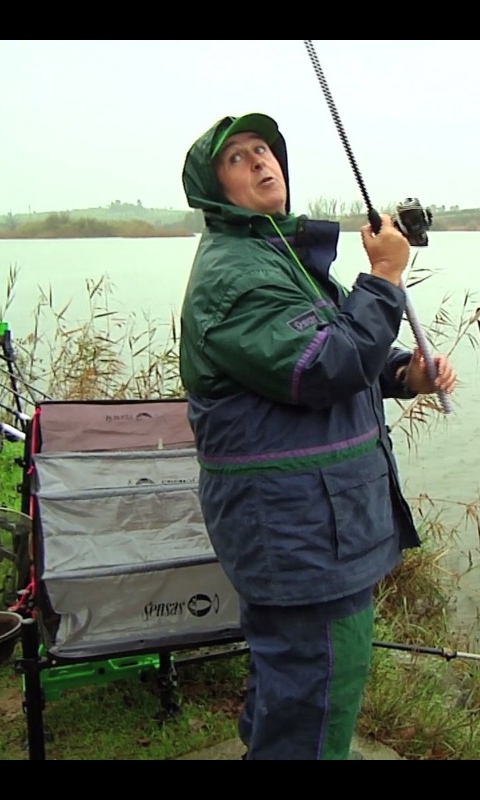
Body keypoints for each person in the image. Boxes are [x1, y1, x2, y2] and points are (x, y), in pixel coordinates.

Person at [177, 112, 457, 760]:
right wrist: (385, 278)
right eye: (238, 159)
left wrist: (402, 375)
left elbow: (329, 353)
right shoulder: (234, 278)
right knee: (323, 681)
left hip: (308, 523)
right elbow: (323, 367)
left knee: (294, 677)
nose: (259, 161)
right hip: (299, 528)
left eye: (263, 149)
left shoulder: (274, 259)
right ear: (214, 190)